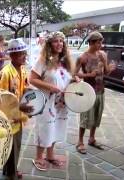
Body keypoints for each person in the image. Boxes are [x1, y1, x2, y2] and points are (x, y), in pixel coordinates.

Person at [30, 31, 78, 171]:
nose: (59, 44)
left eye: (61, 41)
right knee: (44, 128)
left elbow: (65, 79)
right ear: (50, 44)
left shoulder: (64, 62)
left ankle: (50, 155)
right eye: (56, 41)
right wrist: (50, 87)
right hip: (46, 103)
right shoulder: (43, 61)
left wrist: (74, 79)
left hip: (61, 104)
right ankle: (39, 157)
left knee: (56, 127)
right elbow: (32, 79)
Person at [0, 39, 33, 179]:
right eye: (21, 54)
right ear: (12, 56)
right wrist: (20, 105)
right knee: (12, 146)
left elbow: (25, 88)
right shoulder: (5, 73)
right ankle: (11, 174)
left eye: (25, 53)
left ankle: (10, 169)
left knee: (15, 145)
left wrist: (28, 95)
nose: (24, 56)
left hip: (19, 116)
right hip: (9, 118)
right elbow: (0, 100)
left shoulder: (22, 69)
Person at [74, 31, 115, 154]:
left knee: (97, 116)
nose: (101, 45)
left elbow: (106, 72)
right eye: (98, 42)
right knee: (86, 117)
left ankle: (92, 138)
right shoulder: (83, 57)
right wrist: (88, 74)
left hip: (101, 90)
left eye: (101, 42)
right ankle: (80, 141)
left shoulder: (102, 54)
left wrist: (110, 68)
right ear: (91, 42)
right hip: (88, 91)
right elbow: (74, 74)